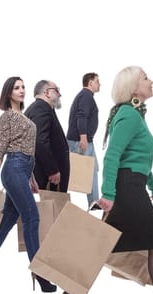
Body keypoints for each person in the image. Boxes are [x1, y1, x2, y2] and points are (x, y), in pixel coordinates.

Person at [46, 66, 153, 294]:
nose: (151, 80)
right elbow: (113, 156)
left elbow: (135, 160)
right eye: (146, 78)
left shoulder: (134, 115)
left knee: (101, 248)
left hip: (133, 187)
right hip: (126, 191)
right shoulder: (129, 115)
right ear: (133, 87)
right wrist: (109, 195)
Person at [0, 78, 49, 291]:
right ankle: (38, 272)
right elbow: (0, 150)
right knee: (32, 217)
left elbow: (29, 149)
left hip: (23, 170)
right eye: (16, 88)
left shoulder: (23, 116)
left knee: (8, 219)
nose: (21, 90)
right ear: (8, 93)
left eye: (23, 87)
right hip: (12, 169)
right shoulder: (7, 116)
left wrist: (31, 178)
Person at [26, 80, 70, 192]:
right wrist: (52, 170)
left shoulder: (42, 108)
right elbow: (39, 141)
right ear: (46, 92)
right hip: (45, 176)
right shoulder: (41, 108)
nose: (60, 94)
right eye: (56, 90)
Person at [67, 73, 102, 208]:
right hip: (80, 140)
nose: (99, 84)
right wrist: (83, 137)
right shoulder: (86, 96)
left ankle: (94, 201)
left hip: (81, 139)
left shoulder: (85, 96)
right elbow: (81, 116)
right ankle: (94, 202)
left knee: (93, 168)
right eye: (97, 81)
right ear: (90, 83)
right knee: (90, 169)